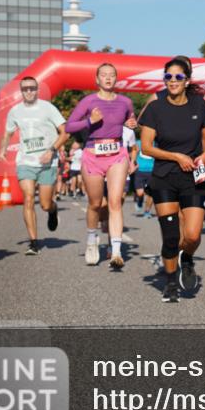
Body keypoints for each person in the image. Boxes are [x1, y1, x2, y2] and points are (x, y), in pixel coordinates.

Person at [139, 56, 205, 302]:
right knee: (171, 235)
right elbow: (147, 147)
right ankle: (170, 283)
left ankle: (187, 258)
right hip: (164, 177)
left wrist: (204, 153)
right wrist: (175, 156)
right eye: (168, 77)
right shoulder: (155, 107)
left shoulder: (199, 104)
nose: (172, 81)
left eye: (178, 77)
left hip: (193, 175)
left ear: (187, 80)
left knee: (192, 235)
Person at [65, 63, 135, 268]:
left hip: (117, 154)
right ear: (97, 79)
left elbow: (131, 120)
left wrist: (131, 124)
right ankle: (91, 240)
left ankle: (116, 252)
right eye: (103, 75)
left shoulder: (125, 102)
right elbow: (69, 126)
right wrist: (90, 121)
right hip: (93, 154)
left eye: (112, 75)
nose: (107, 78)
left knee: (115, 202)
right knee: (95, 203)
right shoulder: (89, 101)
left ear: (116, 79)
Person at [0, 76, 69, 255]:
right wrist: (2, 149)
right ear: (21, 91)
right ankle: (34, 242)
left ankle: (52, 210)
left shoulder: (48, 108)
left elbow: (65, 132)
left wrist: (51, 150)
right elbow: (7, 132)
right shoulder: (15, 111)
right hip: (25, 161)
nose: (29, 91)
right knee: (28, 198)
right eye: (25, 89)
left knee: (44, 204)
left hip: (47, 161)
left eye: (32, 88)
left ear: (37, 90)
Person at [132, 135, 155, 218]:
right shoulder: (138, 143)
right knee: (140, 193)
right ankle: (139, 201)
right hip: (140, 171)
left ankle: (147, 211)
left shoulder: (156, 144)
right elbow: (133, 153)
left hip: (152, 171)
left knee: (151, 193)